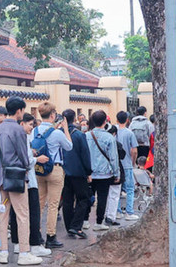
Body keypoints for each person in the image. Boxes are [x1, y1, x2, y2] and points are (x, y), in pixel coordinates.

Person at [0, 97, 43, 266]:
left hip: (1, 176)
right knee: (23, 215)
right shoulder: (18, 130)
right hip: (16, 176)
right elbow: (24, 157)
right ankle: (24, 252)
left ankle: (3, 252)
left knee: (3, 215)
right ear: (19, 111)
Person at [34, 102, 72, 249]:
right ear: (52, 115)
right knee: (53, 205)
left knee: (39, 203)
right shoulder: (57, 133)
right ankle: (51, 236)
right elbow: (69, 146)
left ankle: (36, 234)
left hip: (39, 168)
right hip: (54, 169)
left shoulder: (35, 130)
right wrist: (66, 129)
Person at [10, 113, 49, 257]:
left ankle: (17, 242)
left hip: (14, 179)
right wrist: (37, 158)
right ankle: (34, 244)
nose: (32, 128)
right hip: (28, 179)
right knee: (32, 212)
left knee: (15, 213)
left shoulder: (8, 135)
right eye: (30, 124)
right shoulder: (23, 137)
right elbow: (26, 160)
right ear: (22, 123)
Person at [86, 111, 120, 231]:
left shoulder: (86, 136)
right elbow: (113, 157)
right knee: (102, 198)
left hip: (90, 172)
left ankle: (85, 220)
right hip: (105, 173)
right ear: (105, 121)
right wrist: (116, 173)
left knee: (88, 196)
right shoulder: (109, 137)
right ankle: (99, 222)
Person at [61, 109, 92, 239]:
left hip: (63, 171)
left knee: (67, 200)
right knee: (83, 199)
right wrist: (88, 171)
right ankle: (76, 226)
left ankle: (69, 226)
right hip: (78, 171)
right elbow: (85, 154)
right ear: (74, 119)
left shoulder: (58, 133)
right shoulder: (79, 135)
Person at [116, 111, 139, 220]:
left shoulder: (113, 132)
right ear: (127, 120)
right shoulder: (130, 133)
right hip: (127, 164)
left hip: (116, 164)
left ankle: (117, 211)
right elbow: (134, 151)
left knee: (117, 189)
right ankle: (129, 212)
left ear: (116, 120)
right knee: (130, 189)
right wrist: (133, 162)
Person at [103, 125, 125, 227]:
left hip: (103, 171)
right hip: (115, 171)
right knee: (114, 195)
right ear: (115, 133)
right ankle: (111, 217)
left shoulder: (101, 141)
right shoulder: (116, 144)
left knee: (105, 195)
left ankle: (105, 214)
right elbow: (122, 155)